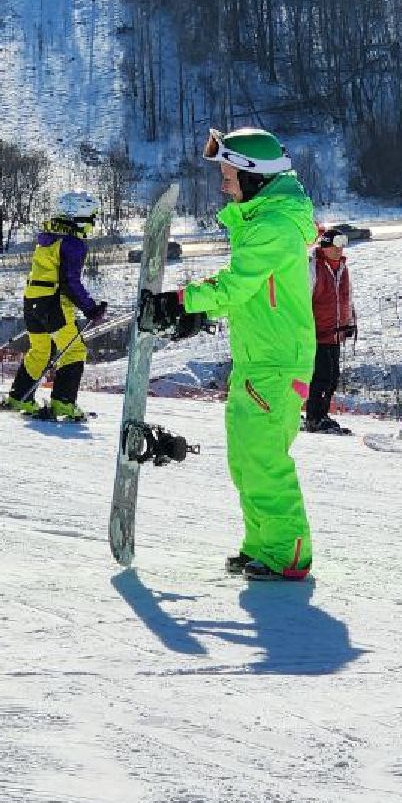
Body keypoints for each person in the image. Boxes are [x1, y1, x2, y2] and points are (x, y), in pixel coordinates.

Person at [140, 127, 317, 581]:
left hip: (275, 363)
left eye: (229, 175)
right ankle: (263, 544)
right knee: (246, 458)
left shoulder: (274, 227)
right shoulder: (264, 222)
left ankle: (288, 553)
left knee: (264, 459)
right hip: (259, 359)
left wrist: (181, 302)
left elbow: (236, 284)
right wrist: (192, 312)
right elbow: (244, 293)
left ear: (254, 176)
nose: (223, 185)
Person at [0, 191, 108, 422]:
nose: (93, 224)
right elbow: (69, 282)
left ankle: (20, 397)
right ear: (77, 217)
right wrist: (90, 308)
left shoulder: (48, 238)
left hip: (33, 300)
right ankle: (63, 404)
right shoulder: (73, 244)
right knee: (75, 351)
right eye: (91, 218)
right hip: (53, 303)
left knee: (40, 350)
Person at [301, 225, 358, 434]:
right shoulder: (313, 267)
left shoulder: (342, 267)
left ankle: (322, 414)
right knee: (322, 376)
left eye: (343, 245)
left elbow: (347, 297)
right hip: (317, 333)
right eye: (336, 245)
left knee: (333, 376)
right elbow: (303, 299)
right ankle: (315, 418)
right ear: (324, 246)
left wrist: (349, 321)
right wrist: (304, 329)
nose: (340, 250)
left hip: (335, 333)